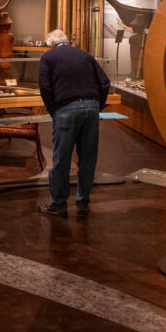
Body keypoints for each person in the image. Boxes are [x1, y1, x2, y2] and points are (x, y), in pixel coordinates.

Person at [38, 28, 110, 218]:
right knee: (88, 158)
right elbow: (105, 82)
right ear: (66, 41)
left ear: (50, 45)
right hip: (91, 108)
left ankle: (59, 204)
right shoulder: (85, 55)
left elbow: (45, 86)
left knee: (62, 159)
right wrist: (97, 106)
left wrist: (54, 109)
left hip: (65, 110)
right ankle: (83, 203)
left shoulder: (49, 58)